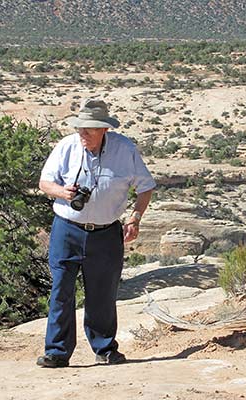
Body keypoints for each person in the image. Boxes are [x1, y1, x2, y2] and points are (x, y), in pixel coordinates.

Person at [37, 98, 156, 368]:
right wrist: (62, 193)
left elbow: (145, 186)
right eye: (80, 128)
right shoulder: (66, 146)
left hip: (106, 233)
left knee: (102, 293)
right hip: (66, 230)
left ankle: (104, 348)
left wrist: (135, 217)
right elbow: (45, 182)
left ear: (104, 129)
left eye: (89, 129)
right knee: (61, 290)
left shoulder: (124, 149)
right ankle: (56, 352)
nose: (83, 134)